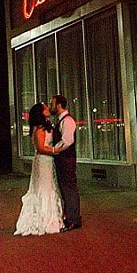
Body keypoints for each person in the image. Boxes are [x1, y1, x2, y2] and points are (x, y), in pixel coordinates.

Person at [14, 102, 65, 236]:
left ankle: (48, 217)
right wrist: (55, 150)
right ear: (41, 113)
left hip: (46, 161)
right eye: (45, 108)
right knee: (45, 188)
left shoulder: (43, 127)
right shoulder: (40, 129)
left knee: (48, 187)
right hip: (44, 162)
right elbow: (41, 148)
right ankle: (45, 219)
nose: (48, 109)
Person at [49, 94, 82, 231]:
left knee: (69, 187)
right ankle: (70, 216)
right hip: (63, 158)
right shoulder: (61, 120)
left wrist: (53, 150)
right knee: (65, 187)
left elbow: (67, 142)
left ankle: (73, 219)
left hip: (66, 159)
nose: (50, 106)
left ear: (59, 105)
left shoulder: (67, 121)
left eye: (52, 104)